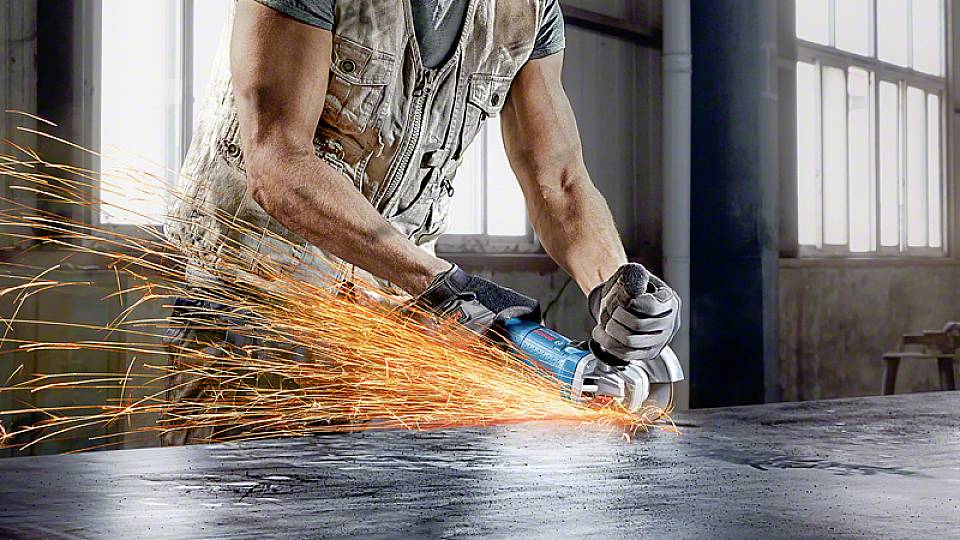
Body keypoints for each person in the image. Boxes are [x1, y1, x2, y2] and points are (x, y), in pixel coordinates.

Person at [160, 0, 680, 445]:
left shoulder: (529, 8)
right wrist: (441, 284)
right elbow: (277, 164)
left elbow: (561, 182)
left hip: (382, 320)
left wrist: (614, 287)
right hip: (252, 309)